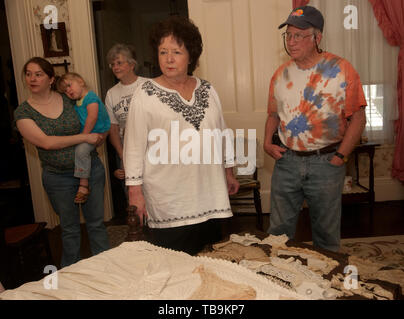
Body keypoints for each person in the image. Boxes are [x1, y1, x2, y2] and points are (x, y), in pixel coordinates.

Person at [123, 16, 240, 255]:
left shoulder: (207, 89)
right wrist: (135, 193)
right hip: (169, 198)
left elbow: (221, 132)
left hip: (209, 191)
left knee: (210, 259)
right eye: (163, 51)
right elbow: (133, 146)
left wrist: (228, 171)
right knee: (174, 263)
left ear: (191, 56)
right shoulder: (144, 93)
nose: (168, 59)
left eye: (176, 52)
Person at [263, 6, 367, 252]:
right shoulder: (280, 74)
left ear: (317, 38)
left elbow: (358, 118)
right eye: (288, 35)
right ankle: (278, 283)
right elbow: (272, 114)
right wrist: (267, 142)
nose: (291, 41)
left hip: (326, 162)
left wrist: (340, 157)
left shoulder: (342, 69)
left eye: (299, 35)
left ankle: (327, 286)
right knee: (277, 233)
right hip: (287, 162)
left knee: (326, 234)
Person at [14, 57, 110, 267]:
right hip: (58, 178)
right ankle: (70, 282)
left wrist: (100, 133)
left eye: (38, 74)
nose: (32, 78)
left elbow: (94, 113)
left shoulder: (69, 98)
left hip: (90, 170)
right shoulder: (23, 113)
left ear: (50, 79)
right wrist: (84, 138)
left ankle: (108, 271)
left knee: (95, 224)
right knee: (69, 229)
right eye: (28, 74)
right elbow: (46, 143)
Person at [57, 73, 111, 203]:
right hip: (89, 134)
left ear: (81, 81)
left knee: (81, 151)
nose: (68, 91)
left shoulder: (90, 97)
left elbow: (92, 117)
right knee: (81, 151)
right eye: (65, 90)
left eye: (69, 85)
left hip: (97, 132)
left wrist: (83, 137)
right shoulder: (77, 102)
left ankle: (83, 184)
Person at [105, 44, 147, 200]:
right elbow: (113, 129)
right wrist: (123, 154)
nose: (115, 67)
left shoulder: (147, 85)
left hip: (149, 144)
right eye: (112, 64)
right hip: (125, 144)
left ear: (132, 64)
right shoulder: (111, 93)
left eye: (119, 63)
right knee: (132, 195)